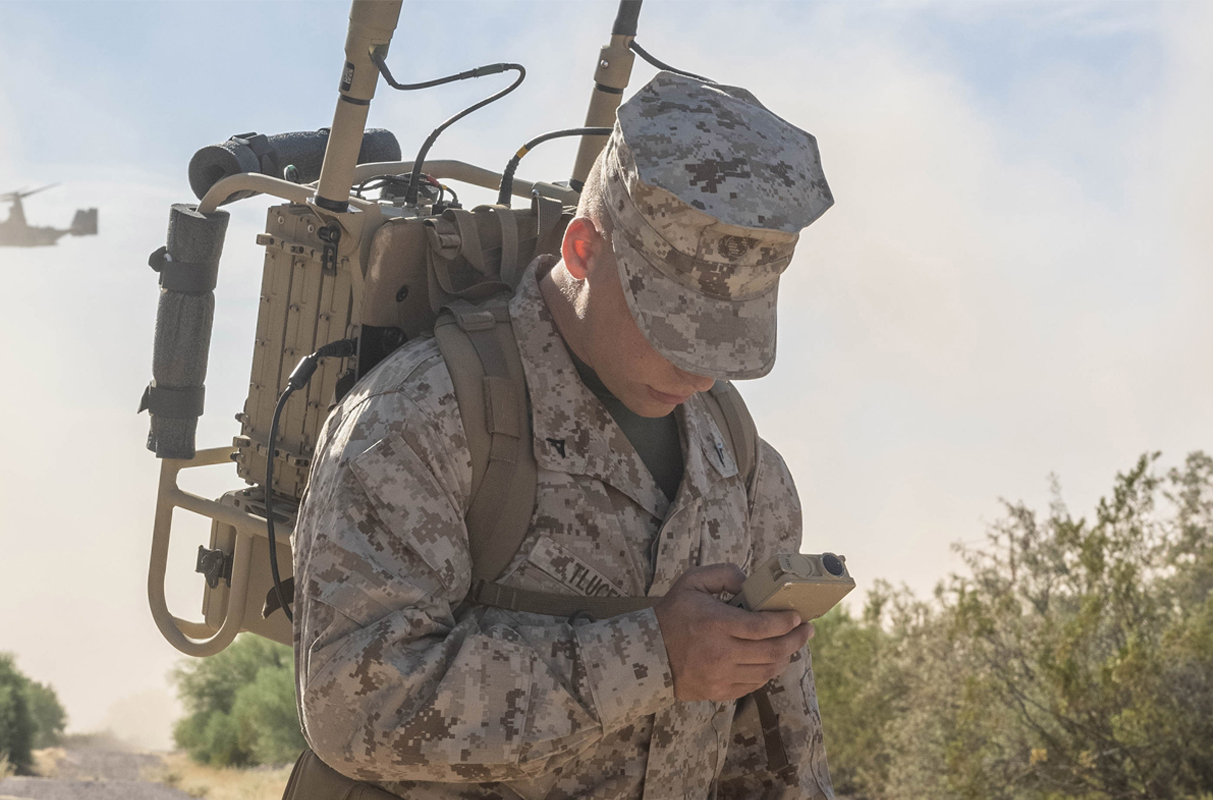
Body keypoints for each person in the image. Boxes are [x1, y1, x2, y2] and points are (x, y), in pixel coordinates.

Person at [290, 72, 838, 800]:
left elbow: (774, 745)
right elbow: (351, 708)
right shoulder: (419, 418)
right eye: (672, 325)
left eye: (725, 338)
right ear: (583, 249)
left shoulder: (737, 457)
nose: (700, 370)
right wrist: (653, 658)